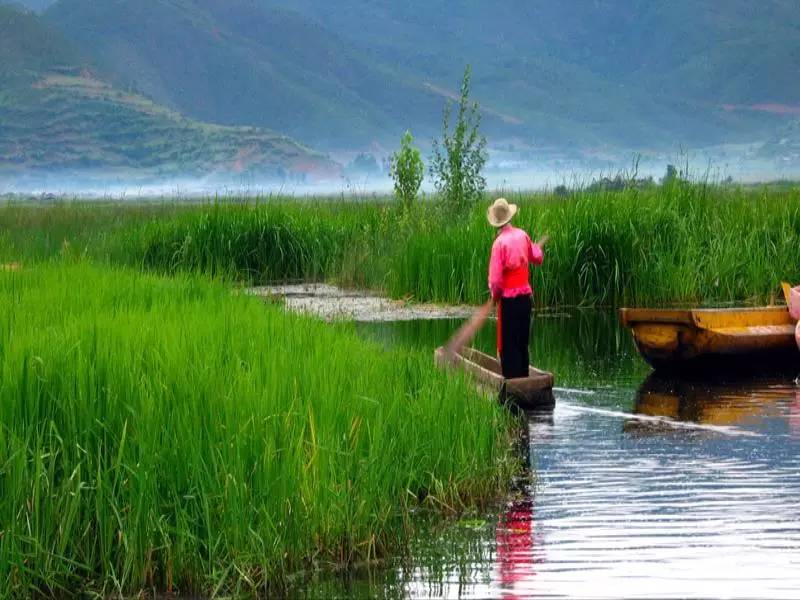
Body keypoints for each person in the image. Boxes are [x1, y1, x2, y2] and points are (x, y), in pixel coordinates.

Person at [487, 198, 547, 378]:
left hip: (509, 302)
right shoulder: (523, 235)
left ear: (496, 223)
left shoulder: (499, 244)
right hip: (525, 300)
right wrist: (536, 247)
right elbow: (537, 257)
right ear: (509, 217)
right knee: (522, 343)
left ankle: (512, 388)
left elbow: (496, 281)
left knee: (509, 345)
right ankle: (524, 379)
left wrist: (494, 296)